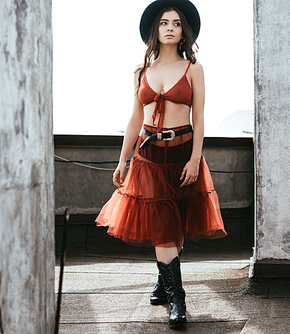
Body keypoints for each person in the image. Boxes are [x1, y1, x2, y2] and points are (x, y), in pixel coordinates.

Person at [95, 0, 227, 327]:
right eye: (165, 22)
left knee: (177, 223)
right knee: (162, 225)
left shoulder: (193, 68)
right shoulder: (142, 72)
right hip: (148, 157)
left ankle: (161, 282)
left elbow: (200, 116)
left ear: (184, 32)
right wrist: (122, 161)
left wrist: (196, 158)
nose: (170, 27)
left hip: (183, 152)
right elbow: (134, 119)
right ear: (156, 29)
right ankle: (177, 298)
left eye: (177, 23)